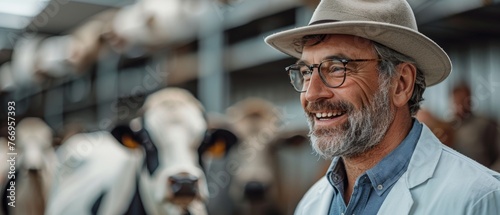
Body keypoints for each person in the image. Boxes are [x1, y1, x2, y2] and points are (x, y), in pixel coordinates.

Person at [264, 0, 500, 214]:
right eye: (306, 72)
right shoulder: (311, 205)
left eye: (337, 68)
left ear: (400, 84)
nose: (312, 93)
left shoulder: (478, 199)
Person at [449, 82, 500, 172]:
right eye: (457, 102)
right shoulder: (448, 127)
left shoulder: (485, 124)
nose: (460, 106)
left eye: (463, 101)